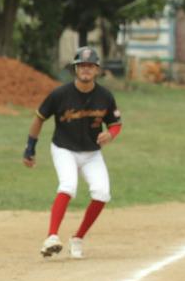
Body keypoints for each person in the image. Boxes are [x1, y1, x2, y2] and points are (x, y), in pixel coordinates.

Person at [24, 46, 122, 259]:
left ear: (97, 70)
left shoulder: (105, 96)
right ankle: (51, 237)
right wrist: (30, 147)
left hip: (91, 153)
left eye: (90, 66)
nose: (86, 69)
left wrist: (111, 134)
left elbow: (115, 123)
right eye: (81, 65)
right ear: (75, 69)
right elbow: (39, 118)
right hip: (64, 149)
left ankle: (77, 238)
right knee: (68, 186)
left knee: (102, 193)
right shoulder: (60, 94)